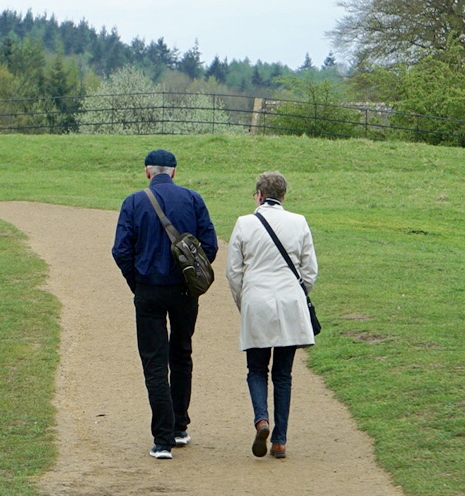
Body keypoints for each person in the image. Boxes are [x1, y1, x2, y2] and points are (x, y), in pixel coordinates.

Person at [112, 149, 219, 460]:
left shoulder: (133, 202)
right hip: (185, 291)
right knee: (182, 354)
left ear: (148, 172)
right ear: (173, 172)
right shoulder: (193, 199)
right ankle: (179, 426)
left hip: (148, 290)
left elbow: (121, 250)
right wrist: (190, 277)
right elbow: (209, 245)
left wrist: (137, 282)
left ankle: (162, 439)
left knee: (154, 362)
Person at [225, 170, 318, 459]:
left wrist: (244, 302)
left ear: (259, 195)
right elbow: (310, 270)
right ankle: (280, 440)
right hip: (290, 302)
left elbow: (233, 272)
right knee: (283, 375)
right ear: (283, 195)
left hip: (257, 299)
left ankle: (261, 419)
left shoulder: (244, 223)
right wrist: (299, 293)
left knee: (256, 369)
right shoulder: (299, 222)